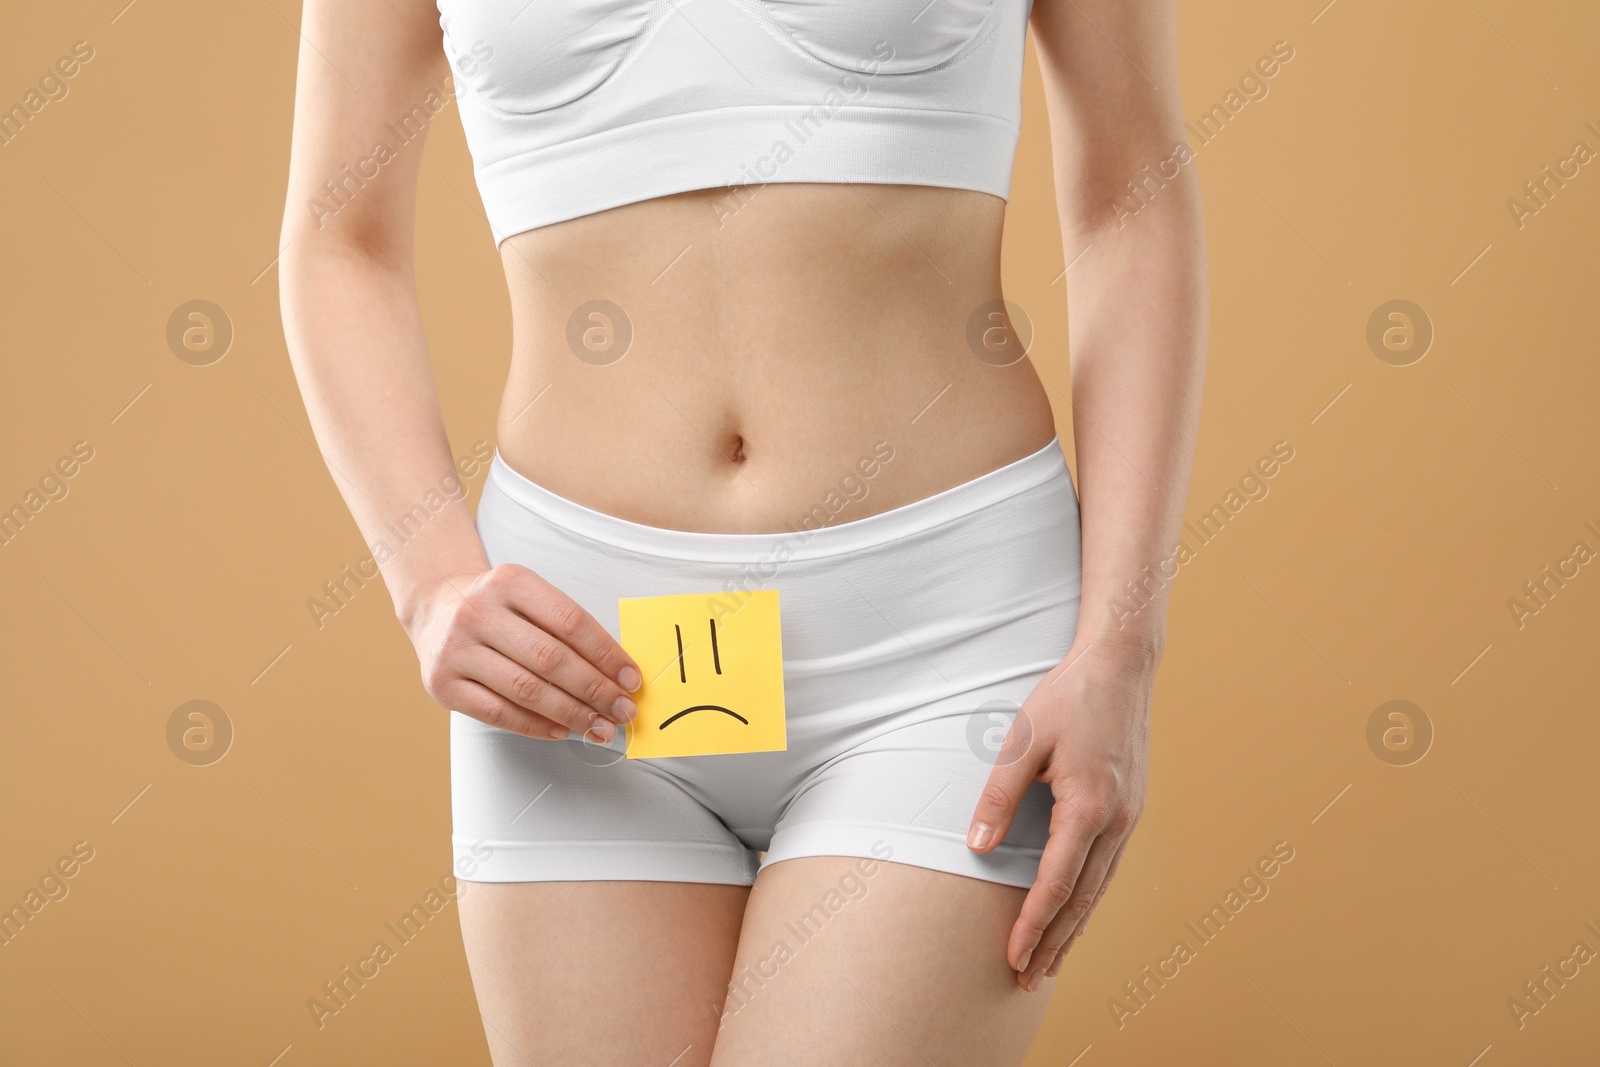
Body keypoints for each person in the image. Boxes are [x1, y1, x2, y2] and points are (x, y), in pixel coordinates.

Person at [278, 0, 1205, 1062]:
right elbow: (334, 236)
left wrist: (1120, 647)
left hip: (945, 634)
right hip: (583, 656)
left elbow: (1133, 197)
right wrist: (428, 580)